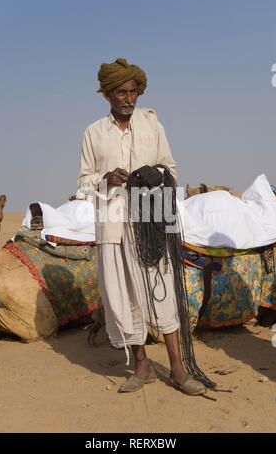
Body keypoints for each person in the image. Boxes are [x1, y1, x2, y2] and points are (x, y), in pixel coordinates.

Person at [76, 58, 206, 395]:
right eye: (121, 92)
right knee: (121, 297)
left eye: (134, 91)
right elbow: (84, 182)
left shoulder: (153, 126)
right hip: (112, 225)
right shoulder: (93, 133)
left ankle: (178, 369)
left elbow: (171, 167)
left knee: (161, 294)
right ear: (107, 94)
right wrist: (105, 178)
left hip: (150, 223)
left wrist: (156, 174)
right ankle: (142, 366)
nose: (129, 98)